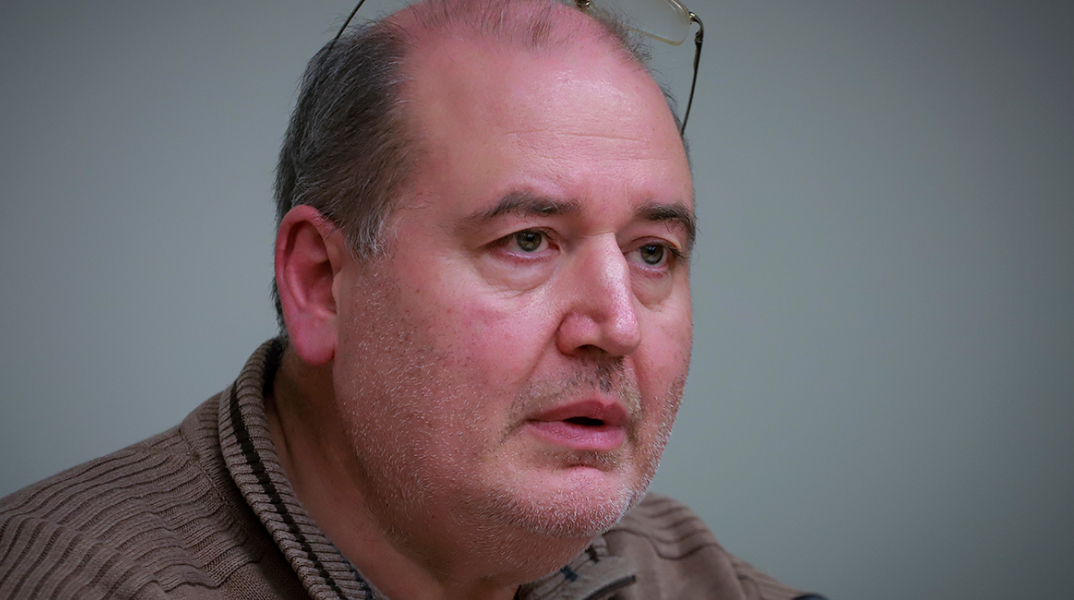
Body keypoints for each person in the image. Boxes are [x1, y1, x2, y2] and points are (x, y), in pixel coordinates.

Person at [0, 1, 826, 598]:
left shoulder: (691, 577)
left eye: (653, 253)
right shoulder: (74, 579)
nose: (615, 324)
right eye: (528, 240)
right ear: (321, 282)